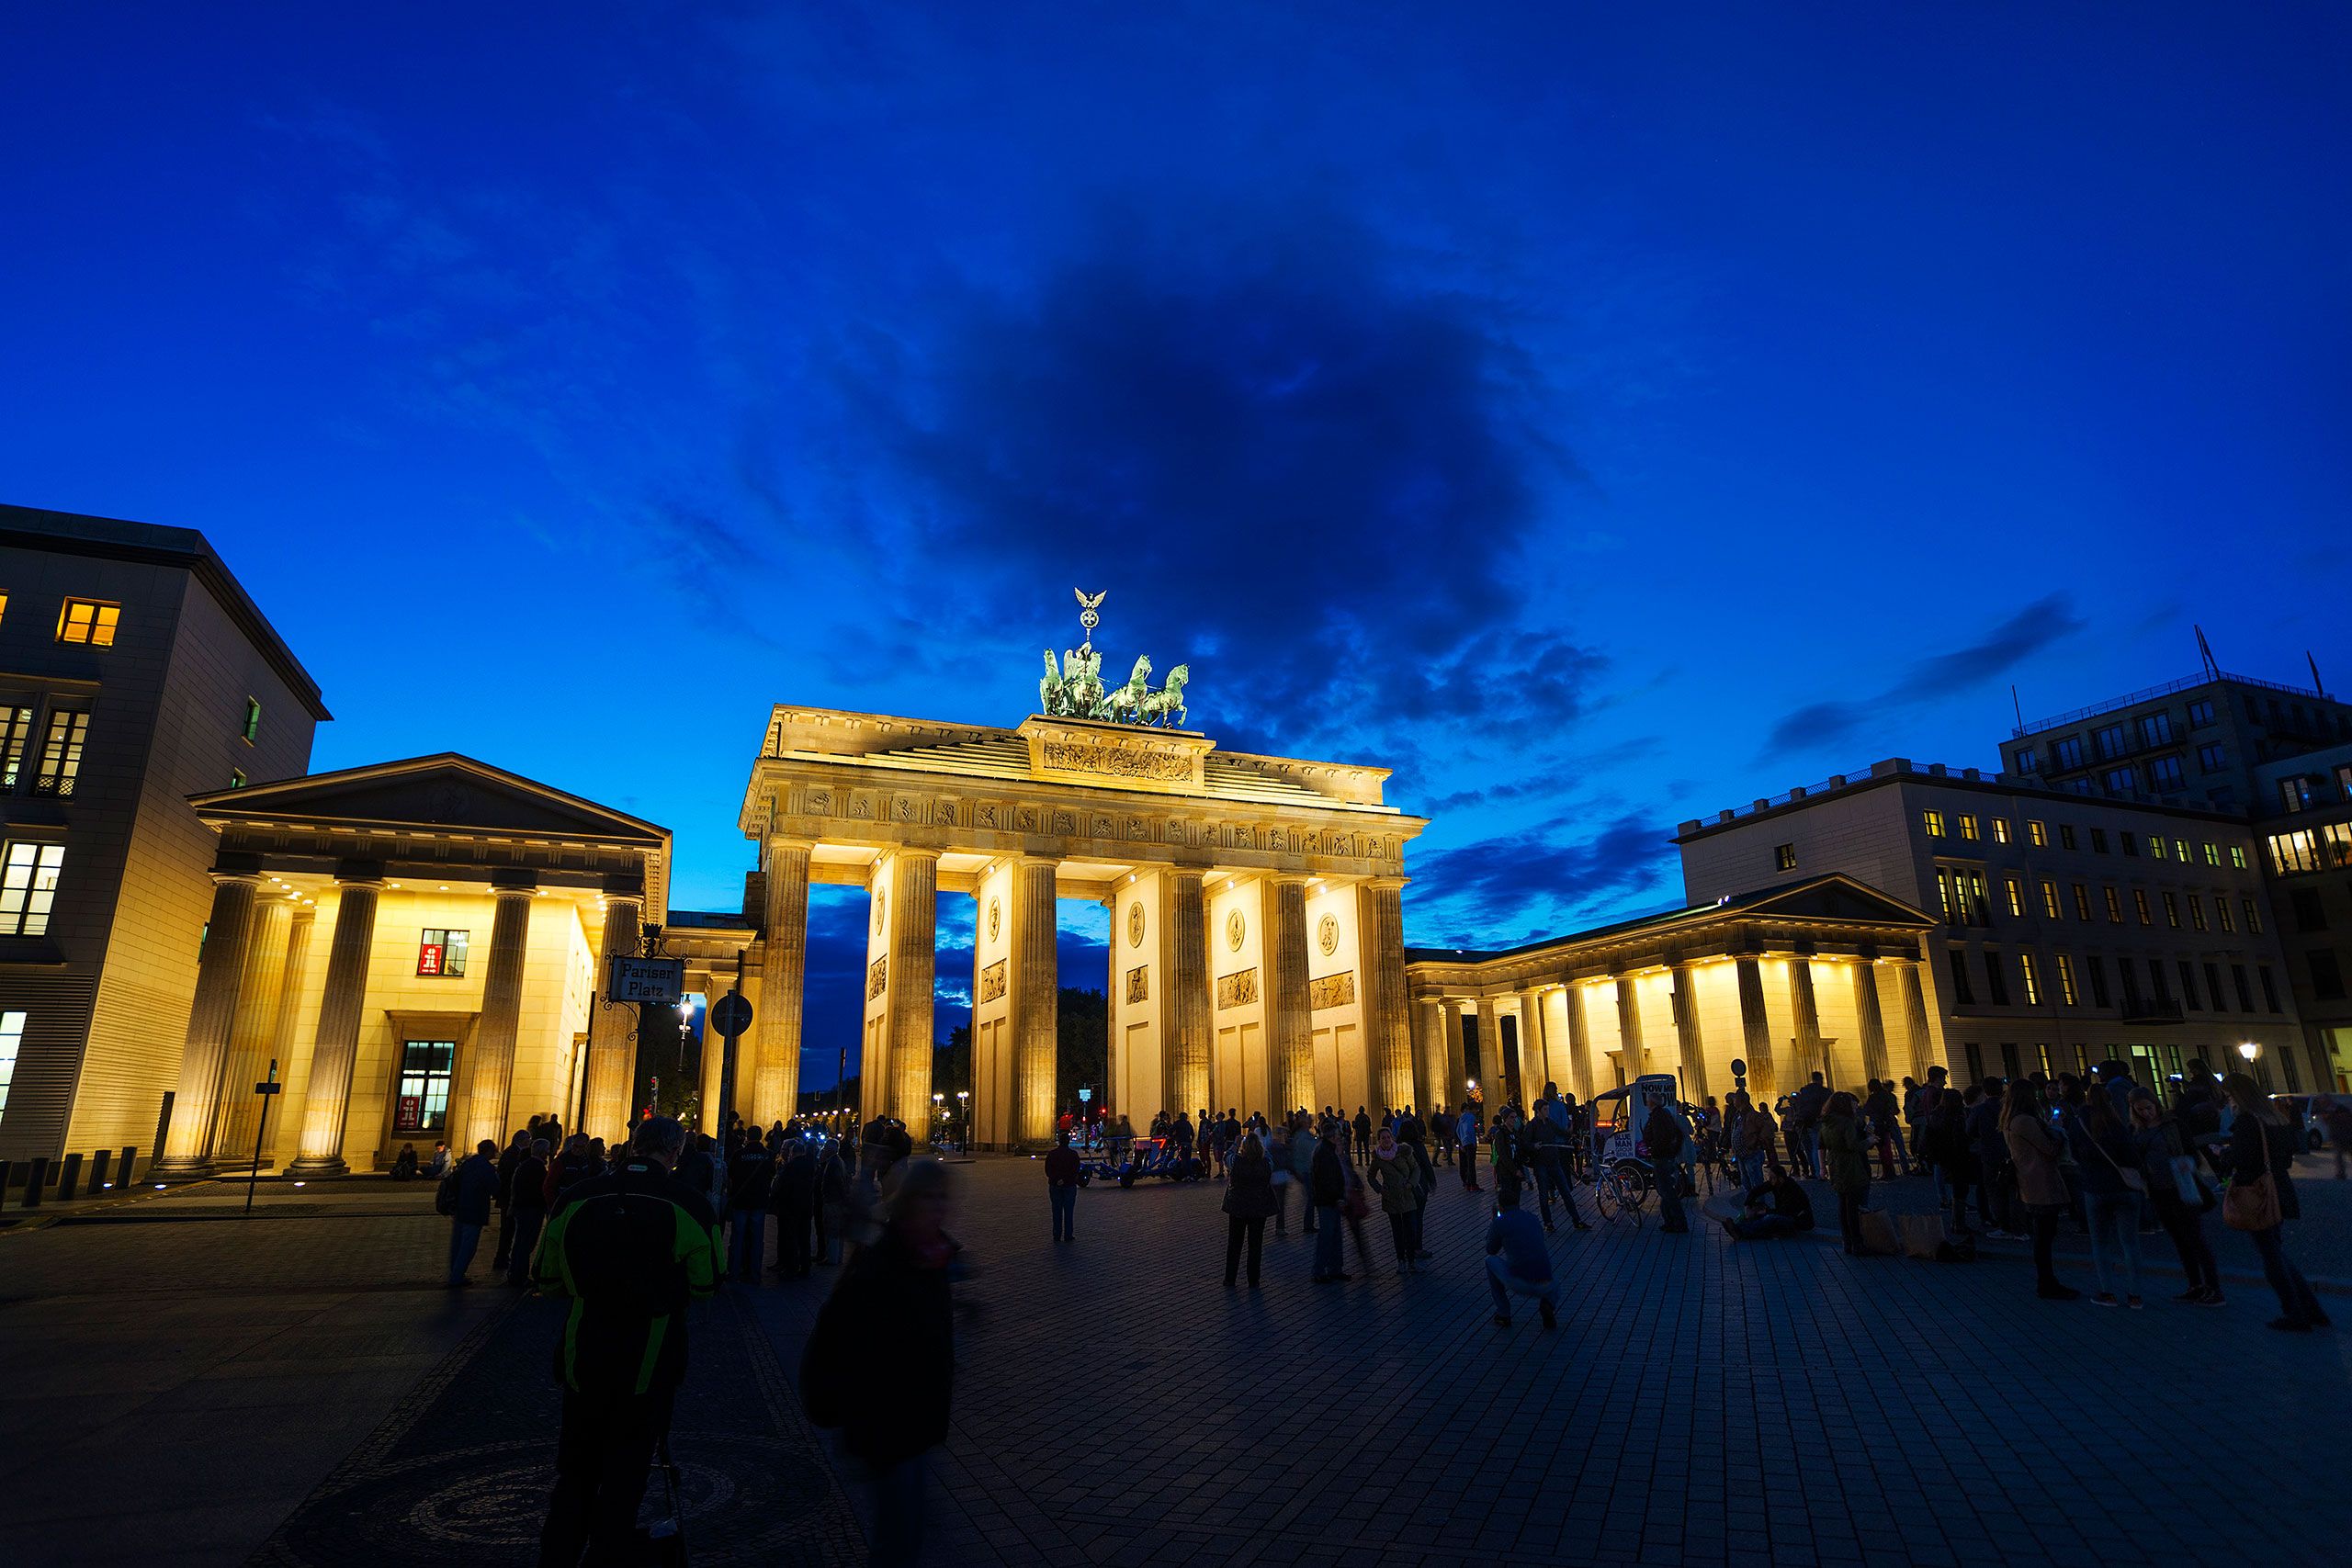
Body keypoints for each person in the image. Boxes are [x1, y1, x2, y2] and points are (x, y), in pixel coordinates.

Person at [533, 1117, 720, 1568]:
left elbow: (546, 1277)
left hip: (585, 1355)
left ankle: (556, 1559)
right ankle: (607, 1556)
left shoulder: (575, 1199)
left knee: (575, 1472)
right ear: (675, 1155)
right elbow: (707, 1284)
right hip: (648, 1362)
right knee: (627, 1473)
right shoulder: (690, 1204)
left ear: (632, 1145)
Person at [799, 1160, 956, 1567]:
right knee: (898, 1540)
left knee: (904, 1531)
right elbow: (844, 1342)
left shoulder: (931, 1257)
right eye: (930, 1198)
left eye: (945, 1198)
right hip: (887, 1425)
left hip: (911, 1425)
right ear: (907, 1203)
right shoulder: (885, 1266)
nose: (940, 1207)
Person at [2222, 1073, 2328, 1332]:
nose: (2229, 1102)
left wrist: (2224, 1155)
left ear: (2238, 1096)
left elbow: (2244, 1160)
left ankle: (2295, 1313)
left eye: (2229, 1096)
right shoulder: (2276, 1119)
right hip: (2279, 1188)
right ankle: (2310, 1309)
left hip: (2259, 1193)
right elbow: (2288, 1158)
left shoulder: (2247, 1122)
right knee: (2276, 1251)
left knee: (2271, 1257)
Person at [2128, 1090, 2221, 1304]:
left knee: (2195, 1237)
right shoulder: (2137, 1129)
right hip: (2158, 1189)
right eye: (2140, 1110)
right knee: (2179, 1239)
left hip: (2181, 1186)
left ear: (2155, 1104)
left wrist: (2185, 1163)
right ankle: (2195, 1284)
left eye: (2148, 1108)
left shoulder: (2173, 1124)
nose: (2146, 1113)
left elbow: (2192, 1153)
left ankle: (2213, 1287)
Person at [2064, 1087, 2145, 1308]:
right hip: (2125, 1187)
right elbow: (2132, 1156)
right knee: (2130, 1242)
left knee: (2100, 1243)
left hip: (2095, 1187)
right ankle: (2135, 1294)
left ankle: (2107, 1292)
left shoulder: (2079, 1124)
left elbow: (2073, 1154)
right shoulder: (2118, 1124)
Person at [2003, 1078, 2077, 1301]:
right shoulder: (2024, 1121)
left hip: (2028, 1181)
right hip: (2039, 1181)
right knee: (2044, 1236)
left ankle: (2047, 1281)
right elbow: (2048, 1148)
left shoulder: (2010, 1120)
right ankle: (2047, 1282)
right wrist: (2058, 1133)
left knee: (2042, 1235)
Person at [1484, 1200, 1559, 1329]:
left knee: (1490, 1260)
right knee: (1550, 1276)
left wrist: (1494, 1224)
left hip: (1520, 1281)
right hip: (1546, 1283)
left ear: (1500, 1208)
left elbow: (1491, 1249)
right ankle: (1549, 1303)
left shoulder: (1500, 1222)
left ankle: (1503, 1313)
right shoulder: (1532, 1218)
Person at [1222, 1133, 1277, 1287]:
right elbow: (1271, 1159)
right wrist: (1262, 1146)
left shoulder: (1236, 1162)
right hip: (1259, 1209)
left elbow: (1226, 1156)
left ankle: (1230, 1278)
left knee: (1234, 1244)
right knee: (1255, 1245)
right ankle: (1253, 1279)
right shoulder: (1266, 1164)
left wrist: (1236, 1142)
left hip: (1238, 1208)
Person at [1366, 1128, 1424, 1274]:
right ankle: (1401, 1261)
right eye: (1383, 1138)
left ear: (1392, 1138)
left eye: (1388, 1137)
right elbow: (1371, 1176)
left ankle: (1411, 1261)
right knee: (1397, 1231)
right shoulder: (1378, 1157)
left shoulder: (1403, 1152)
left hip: (1407, 1195)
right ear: (1379, 1141)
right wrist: (1379, 1189)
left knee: (1410, 1230)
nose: (1386, 1140)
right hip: (1391, 1198)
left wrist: (1411, 1183)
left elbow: (1416, 1168)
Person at [1819, 1093, 1871, 1255]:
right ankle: (1858, 1243)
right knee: (1853, 1207)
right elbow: (1852, 1145)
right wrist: (1869, 1141)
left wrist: (1822, 1168)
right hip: (1850, 1166)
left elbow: (1820, 1145)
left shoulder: (1826, 1123)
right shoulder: (1846, 1122)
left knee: (1843, 1205)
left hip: (1834, 1165)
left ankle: (1846, 1241)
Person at [446, 1138, 500, 1287]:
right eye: (494, 1151)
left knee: (457, 1243)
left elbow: (454, 1183)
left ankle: (454, 1273)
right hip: (475, 1210)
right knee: (468, 1246)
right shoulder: (487, 1168)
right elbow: (496, 1188)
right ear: (488, 1151)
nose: (495, 1153)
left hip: (460, 1208)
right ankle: (457, 1277)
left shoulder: (467, 1164)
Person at [1921, 1091, 1975, 1236]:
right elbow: (1960, 1137)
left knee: (1956, 1187)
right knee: (1961, 1190)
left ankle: (1954, 1220)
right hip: (1957, 1155)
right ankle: (1959, 1223)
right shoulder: (1956, 1115)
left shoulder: (1935, 1114)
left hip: (1942, 1156)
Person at [726, 1130, 776, 1283]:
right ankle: (755, 1273)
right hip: (759, 1202)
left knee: (737, 1238)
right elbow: (771, 1175)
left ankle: (734, 1272)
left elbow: (731, 1175)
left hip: (741, 1201)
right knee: (756, 1239)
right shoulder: (768, 1155)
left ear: (747, 1136)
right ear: (761, 1137)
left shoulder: (738, 1155)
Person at [1723, 1164, 1815, 1241]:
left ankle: (1741, 1232)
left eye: (1772, 1178)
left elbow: (1784, 1211)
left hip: (1797, 1220)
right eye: (1769, 1177)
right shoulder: (1775, 1183)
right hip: (1784, 1213)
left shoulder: (1792, 1190)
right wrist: (1748, 1206)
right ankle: (1737, 1227)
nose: (1770, 1180)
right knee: (1758, 1212)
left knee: (1769, 1218)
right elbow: (1756, 1191)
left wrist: (1764, 1211)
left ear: (1780, 1179)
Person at [503, 1138, 551, 1286]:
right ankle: (519, 1276)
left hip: (522, 1208)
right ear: (543, 1152)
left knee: (520, 1243)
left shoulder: (525, 1165)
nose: (548, 1153)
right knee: (526, 1244)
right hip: (531, 1209)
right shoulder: (537, 1167)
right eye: (547, 1151)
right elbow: (540, 1190)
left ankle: (514, 1273)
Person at [770, 1131, 818, 1279]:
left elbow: (782, 1187)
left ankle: (791, 1268)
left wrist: (775, 1199)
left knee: (791, 1238)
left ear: (793, 1152)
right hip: (806, 1207)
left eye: (789, 1152)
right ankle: (805, 1267)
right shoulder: (812, 1165)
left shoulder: (790, 1167)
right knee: (804, 1238)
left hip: (790, 1207)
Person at [1642, 1089, 1688, 1234]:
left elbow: (1660, 1137)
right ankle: (1670, 1221)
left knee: (1666, 1191)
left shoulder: (1658, 1117)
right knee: (1665, 1190)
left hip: (1661, 1157)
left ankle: (1679, 1222)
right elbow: (1678, 1133)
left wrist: (1655, 1148)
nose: (1647, 1103)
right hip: (1665, 1156)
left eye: (1648, 1101)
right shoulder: (1665, 1114)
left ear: (1652, 1103)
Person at [1309, 1127, 1350, 1281]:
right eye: (1338, 1135)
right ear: (1332, 1136)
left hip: (1330, 1199)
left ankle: (1335, 1268)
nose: (1340, 1138)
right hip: (1327, 1201)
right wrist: (1337, 1198)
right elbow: (1326, 1180)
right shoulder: (1324, 1153)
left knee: (1335, 1236)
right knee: (1326, 1236)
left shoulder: (1328, 1150)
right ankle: (1319, 1271)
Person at [1789, 1073, 1830, 1178]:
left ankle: (1813, 1170)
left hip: (1804, 1123)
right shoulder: (1824, 1091)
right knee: (1817, 1147)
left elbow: (1800, 1105)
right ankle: (1818, 1171)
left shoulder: (1805, 1091)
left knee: (1809, 1149)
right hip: (1817, 1122)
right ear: (1820, 1079)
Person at [1045, 1130, 1080, 1242]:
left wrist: (1057, 1180)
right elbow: (1076, 1170)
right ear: (1068, 1142)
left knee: (1056, 1211)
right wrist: (1065, 1180)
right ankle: (1068, 1235)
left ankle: (1056, 1234)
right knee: (1069, 1212)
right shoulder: (1073, 1155)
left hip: (1055, 1185)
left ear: (1059, 1141)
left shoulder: (1051, 1154)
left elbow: (1048, 1170)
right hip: (1069, 1185)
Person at [1288, 1114, 1320, 1233]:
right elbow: (1311, 1150)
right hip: (1306, 1170)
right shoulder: (1303, 1137)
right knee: (1311, 1198)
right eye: (1309, 1121)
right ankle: (1308, 1224)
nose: (1311, 1123)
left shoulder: (1301, 1136)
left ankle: (1309, 1223)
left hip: (1306, 1170)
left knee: (1311, 1197)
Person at [2322, 1096, 2352, 1181]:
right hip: (2340, 1137)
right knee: (2339, 1156)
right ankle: (2341, 1173)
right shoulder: (2332, 1110)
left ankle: (2341, 1173)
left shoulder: (2338, 1110)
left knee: (2340, 1156)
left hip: (2344, 1136)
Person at [1455, 1104, 1482, 1190]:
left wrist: (1461, 1142)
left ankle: (1467, 1183)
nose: (1476, 1112)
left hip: (1464, 1142)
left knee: (1465, 1163)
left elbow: (1457, 1130)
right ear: (1473, 1109)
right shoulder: (1471, 1117)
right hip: (1470, 1142)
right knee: (1471, 1164)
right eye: (1476, 1110)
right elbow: (1469, 1129)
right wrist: (1472, 1141)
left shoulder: (1461, 1118)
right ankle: (1473, 1184)